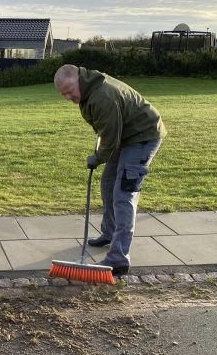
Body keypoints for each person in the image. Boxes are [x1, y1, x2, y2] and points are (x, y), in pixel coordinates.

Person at [54, 64, 166, 277]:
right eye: (63, 94)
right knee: (107, 185)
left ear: (78, 80)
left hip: (143, 136)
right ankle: (109, 233)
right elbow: (105, 132)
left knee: (124, 195)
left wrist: (96, 158)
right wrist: (99, 154)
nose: (68, 97)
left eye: (69, 91)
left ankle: (119, 259)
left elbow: (110, 139)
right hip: (126, 136)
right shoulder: (89, 91)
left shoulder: (102, 96)